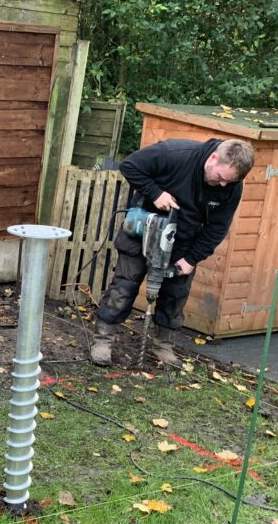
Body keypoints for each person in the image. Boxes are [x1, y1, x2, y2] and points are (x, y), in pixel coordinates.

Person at [90, 137, 256, 367]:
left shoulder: (231, 188)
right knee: (124, 286)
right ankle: (103, 340)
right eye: (221, 178)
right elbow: (130, 165)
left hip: (183, 244)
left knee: (175, 296)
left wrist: (191, 259)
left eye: (230, 181)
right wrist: (156, 193)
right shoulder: (175, 153)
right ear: (214, 158)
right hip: (142, 230)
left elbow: (217, 228)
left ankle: (163, 347)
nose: (224, 185)